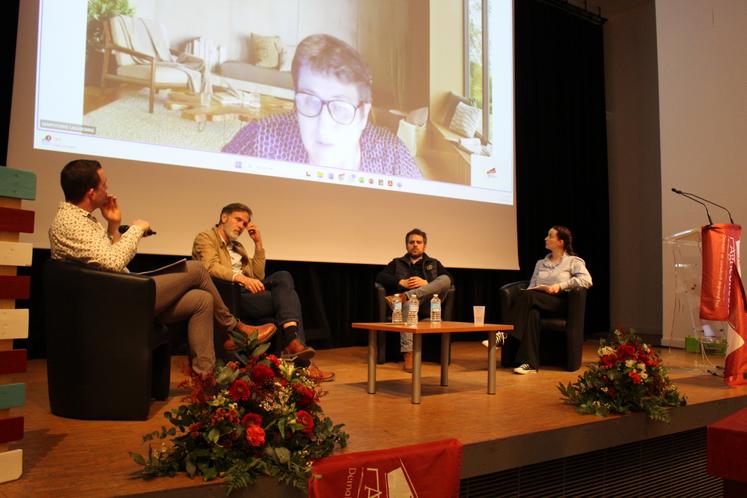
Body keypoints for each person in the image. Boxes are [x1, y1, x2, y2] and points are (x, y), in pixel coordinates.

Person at [48, 159, 276, 378]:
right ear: (91, 192)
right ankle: (234, 329)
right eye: (104, 185)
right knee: (196, 268)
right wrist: (136, 229)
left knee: (201, 300)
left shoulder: (82, 219)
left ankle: (205, 380)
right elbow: (113, 263)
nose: (108, 190)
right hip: (115, 302)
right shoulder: (71, 222)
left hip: (119, 294)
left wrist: (114, 226)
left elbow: (110, 261)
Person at [222, 33, 422, 179]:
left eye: (340, 107)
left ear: (362, 115)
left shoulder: (393, 158)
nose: (322, 126)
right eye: (309, 101)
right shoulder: (261, 139)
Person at [192, 203, 335, 382]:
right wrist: (241, 278)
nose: (241, 226)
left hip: (246, 292)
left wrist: (258, 243)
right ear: (224, 218)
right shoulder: (205, 238)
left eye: (245, 223)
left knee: (283, 277)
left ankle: (293, 343)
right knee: (292, 298)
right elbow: (209, 266)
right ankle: (299, 358)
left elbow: (258, 275)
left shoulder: (238, 247)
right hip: (228, 295)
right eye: (238, 220)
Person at [507, 226, 593, 375]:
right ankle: (529, 363)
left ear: (560, 242)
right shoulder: (541, 263)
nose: (546, 239)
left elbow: (587, 280)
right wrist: (536, 289)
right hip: (539, 299)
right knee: (532, 312)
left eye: (550, 236)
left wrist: (560, 286)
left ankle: (504, 335)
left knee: (528, 296)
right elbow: (532, 285)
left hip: (560, 303)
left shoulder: (573, 261)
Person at [375, 228, 453, 372]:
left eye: (419, 242)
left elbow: (449, 280)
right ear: (406, 245)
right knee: (409, 304)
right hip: (405, 306)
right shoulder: (397, 262)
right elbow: (380, 277)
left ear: (424, 245)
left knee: (445, 279)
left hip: (429, 303)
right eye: (412, 242)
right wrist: (401, 282)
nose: (415, 245)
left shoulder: (434, 263)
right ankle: (408, 354)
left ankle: (406, 295)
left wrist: (427, 283)